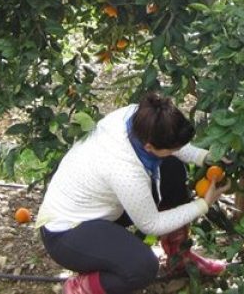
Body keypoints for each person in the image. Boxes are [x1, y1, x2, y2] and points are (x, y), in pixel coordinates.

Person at [36, 93, 230, 294]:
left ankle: (179, 257)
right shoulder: (125, 170)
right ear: (149, 146)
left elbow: (171, 146)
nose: (178, 149)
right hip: (67, 233)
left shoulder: (137, 117)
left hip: (101, 206)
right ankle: (81, 288)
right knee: (141, 268)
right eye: (172, 147)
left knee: (171, 166)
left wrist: (204, 157)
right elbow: (150, 225)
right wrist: (203, 204)